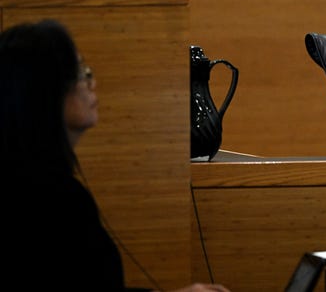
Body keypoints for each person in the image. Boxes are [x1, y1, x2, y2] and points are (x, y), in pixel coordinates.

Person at [0, 19, 229, 292]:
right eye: (80, 72)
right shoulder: (50, 200)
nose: (92, 82)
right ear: (43, 92)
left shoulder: (34, 184)